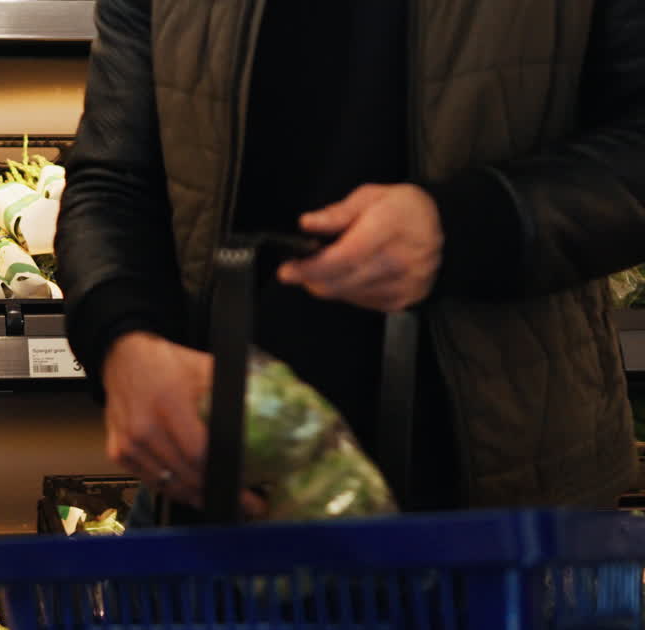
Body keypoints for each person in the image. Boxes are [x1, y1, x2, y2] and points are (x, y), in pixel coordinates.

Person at [56, 0, 645, 519]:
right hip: (226, 482)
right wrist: (122, 340)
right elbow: (113, 177)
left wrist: (465, 226)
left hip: (505, 497)